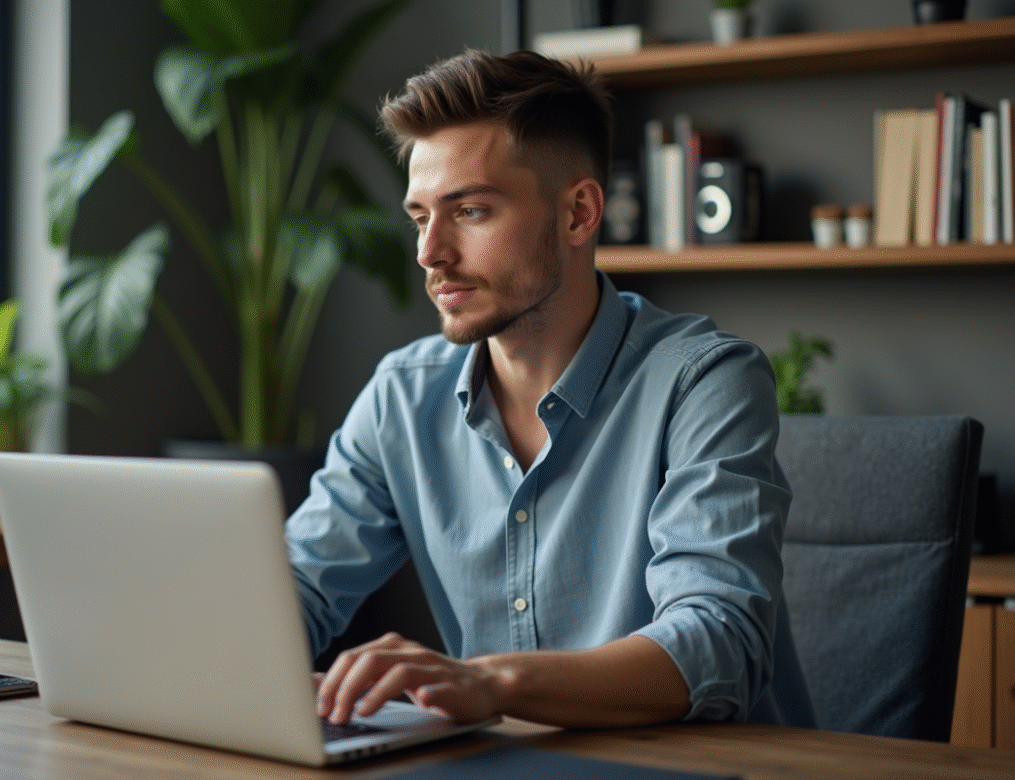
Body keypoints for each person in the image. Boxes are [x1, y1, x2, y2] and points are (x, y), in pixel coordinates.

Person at [286, 49, 815, 730]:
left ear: (578, 213)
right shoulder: (401, 397)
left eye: (469, 211)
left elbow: (718, 641)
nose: (429, 252)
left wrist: (490, 682)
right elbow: (295, 587)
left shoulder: (704, 381)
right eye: (421, 216)